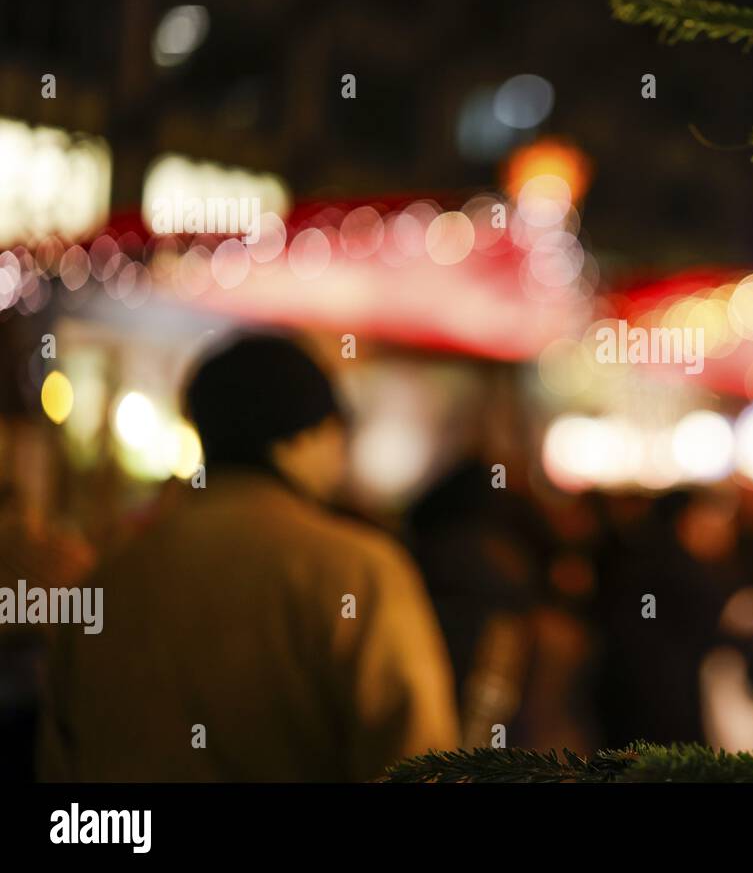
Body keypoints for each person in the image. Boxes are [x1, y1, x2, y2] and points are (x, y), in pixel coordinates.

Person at [38, 332, 459, 781]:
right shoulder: (360, 571)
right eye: (336, 431)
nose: (340, 456)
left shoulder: (112, 573)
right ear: (301, 434)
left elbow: (60, 756)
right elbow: (420, 760)